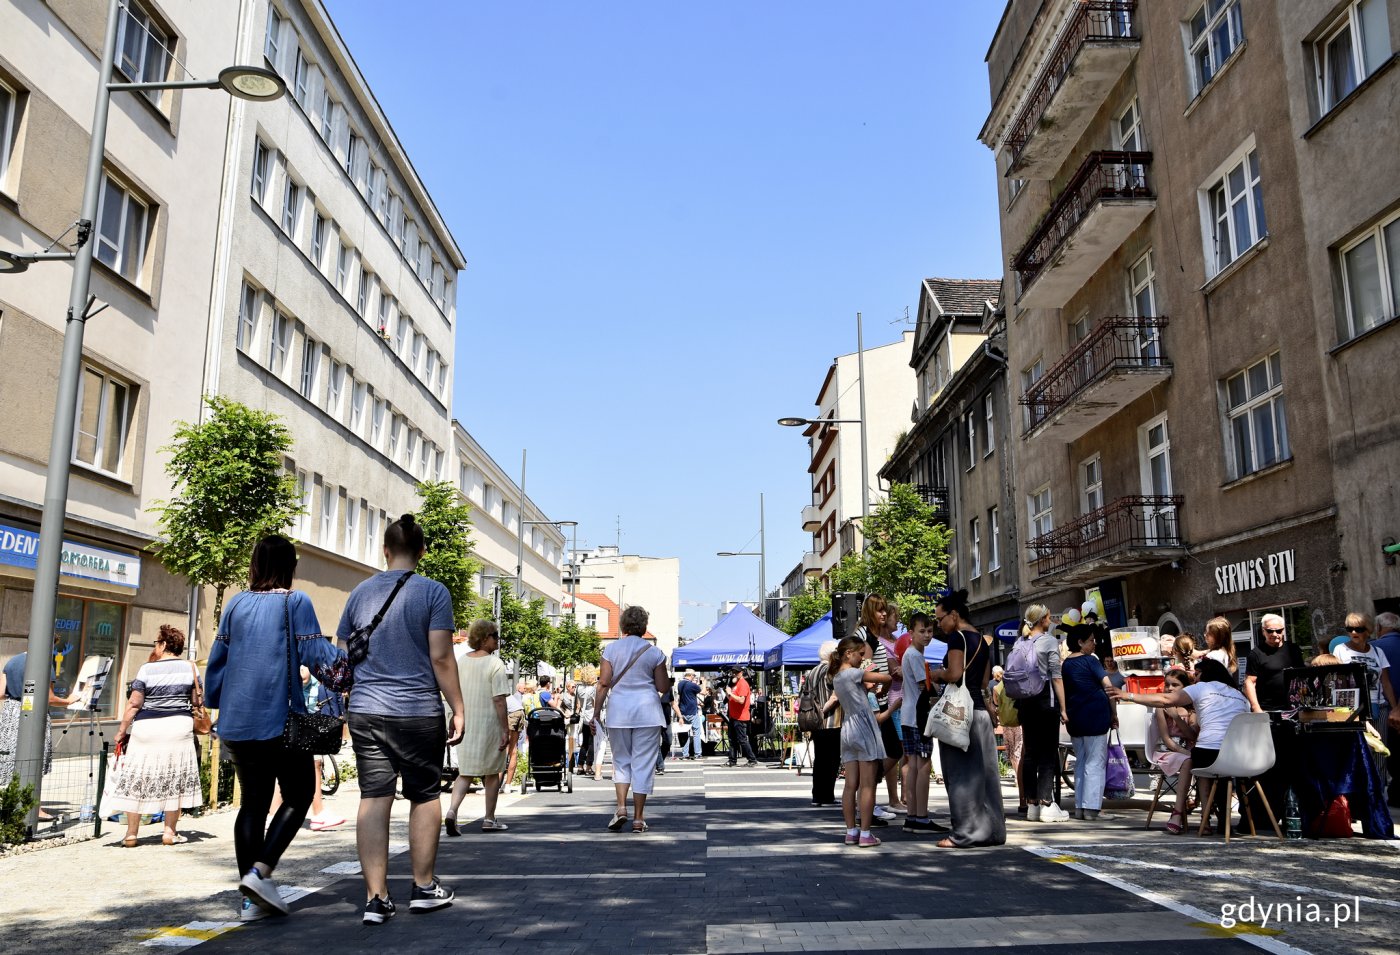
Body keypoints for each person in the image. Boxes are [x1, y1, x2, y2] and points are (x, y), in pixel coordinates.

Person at [205, 534, 345, 922]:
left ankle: (251, 902)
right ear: (289, 567)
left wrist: (216, 701)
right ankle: (260, 872)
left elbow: (218, 660)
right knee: (299, 795)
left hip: (237, 721)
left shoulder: (235, 604)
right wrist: (349, 672)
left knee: (252, 804)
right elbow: (317, 653)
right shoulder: (295, 601)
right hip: (278, 720)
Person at [337, 514, 463, 925]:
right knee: (424, 795)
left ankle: (376, 898)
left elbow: (344, 655)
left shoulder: (358, 593)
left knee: (374, 797)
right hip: (417, 711)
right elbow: (442, 656)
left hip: (367, 709)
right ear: (422, 552)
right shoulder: (434, 593)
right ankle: (424, 887)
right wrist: (458, 707)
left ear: (385, 550)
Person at [1113, 659, 1249, 834]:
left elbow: (1165, 699)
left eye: (1197, 674)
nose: (1194, 678)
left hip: (1209, 753)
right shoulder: (1239, 696)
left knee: (1205, 766)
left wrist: (1128, 695)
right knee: (1220, 773)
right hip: (1241, 756)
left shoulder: (1203, 688)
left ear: (1206, 674)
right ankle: (1223, 821)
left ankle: (1205, 821)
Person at [103, 625, 202, 847]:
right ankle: (169, 832)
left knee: (137, 777)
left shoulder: (146, 669)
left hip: (146, 728)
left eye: (156, 643)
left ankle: (131, 834)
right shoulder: (190, 668)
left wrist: (121, 731)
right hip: (178, 727)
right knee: (174, 777)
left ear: (164, 644)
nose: (155, 647)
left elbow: (134, 703)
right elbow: (197, 702)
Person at [928, 590, 1005, 848]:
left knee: (960, 775)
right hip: (980, 713)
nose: (939, 625)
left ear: (954, 615)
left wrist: (937, 674)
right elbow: (984, 682)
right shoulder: (982, 641)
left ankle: (963, 833)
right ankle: (993, 830)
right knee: (986, 776)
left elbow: (954, 673)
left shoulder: (956, 638)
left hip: (960, 715)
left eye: (940, 619)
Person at [593, 605, 669, 833]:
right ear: (644, 627)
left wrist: (596, 713)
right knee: (643, 765)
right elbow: (663, 687)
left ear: (623, 625)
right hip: (647, 713)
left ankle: (620, 808)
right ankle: (638, 818)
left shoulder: (611, 650)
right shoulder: (655, 653)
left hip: (618, 713)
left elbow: (604, 683)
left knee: (621, 761)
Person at [445, 620, 511, 836]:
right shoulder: (495, 664)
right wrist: (505, 729)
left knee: (465, 772)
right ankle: (489, 819)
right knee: (492, 772)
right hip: (489, 724)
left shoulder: (461, 661)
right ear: (484, 638)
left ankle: (452, 811)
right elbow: (499, 699)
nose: (497, 640)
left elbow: (452, 692)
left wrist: (452, 720)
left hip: (466, 724)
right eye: (495, 636)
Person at [822, 636, 889, 847]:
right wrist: (887, 682)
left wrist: (865, 689)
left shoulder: (837, 676)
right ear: (848, 653)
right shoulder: (854, 673)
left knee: (850, 785)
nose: (862, 658)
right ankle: (866, 833)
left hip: (848, 728)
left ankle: (851, 831)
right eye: (860, 654)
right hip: (863, 728)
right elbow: (885, 678)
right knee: (867, 785)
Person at [1013, 604, 1070, 823]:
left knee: (1030, 753)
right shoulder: (1049, 641)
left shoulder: (1020, 641)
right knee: (1047, 752)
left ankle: (1032, 804)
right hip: (1046, 699)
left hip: (1026, 700)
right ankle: (1047, 804)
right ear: (1044, 619)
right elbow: (1056, 677)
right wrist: (1064, 708)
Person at [0, 651, 77, 798]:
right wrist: (68, 701)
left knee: (13, 758)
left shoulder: (13, 660)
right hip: (33, 713)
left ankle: (14, 798)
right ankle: (32, 806)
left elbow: (1, 693)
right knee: (34, 758)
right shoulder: (44, 662)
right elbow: (49, 698)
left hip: (11, 713)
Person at [1061, 628, 1118, 822]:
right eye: (1091, 640)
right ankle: (1092, 808)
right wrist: (1114, 713)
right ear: (1080, 642)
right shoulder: (1091, 661)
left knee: (1081, 761)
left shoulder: (1066, 664)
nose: (1094, 643)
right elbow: (1108, 686)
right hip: (1096, 714)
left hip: (1075, 716)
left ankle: (1080, 806)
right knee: (1095, 762)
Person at [899, 613, 944, 833]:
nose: (927, 636)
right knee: (923, 766)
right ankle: (922, 817)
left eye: (929, 631)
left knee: (915, 765)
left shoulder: (911, 654)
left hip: (909, 716)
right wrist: (940, 686)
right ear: (911, 633)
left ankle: (913, 816)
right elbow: (924, 686)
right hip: (918, 716)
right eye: (922, 631)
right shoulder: (914, 655)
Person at [1150, 669, 1199, 834]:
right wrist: (1185, 753)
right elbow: (1167, 740)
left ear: (1185, 688)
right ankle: (1177, 813)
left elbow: (1192, 735)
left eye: (1175, 685)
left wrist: (1177, 717)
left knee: (1203, 760)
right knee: (1188, 761)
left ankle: (1206, 813)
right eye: (1167, 685)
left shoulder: (1192, 709)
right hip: (1169, 751)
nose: (1170, 688)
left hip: (1190, 749)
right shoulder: (1161, 708)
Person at [804, 643, 841, 807]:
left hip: (815, 723)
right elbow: (834, 697)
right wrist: (823, 710)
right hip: (831, 721)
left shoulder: (812, 671)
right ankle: (827, 796)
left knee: (820, 760)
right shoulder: (830, 671)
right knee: (832, 759)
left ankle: (817, 795)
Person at [1372, 612, 1400, 807]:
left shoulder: (1375, 648)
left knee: (1389, 753)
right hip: (1394, 708)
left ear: (1379, 628)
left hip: (1388, 710)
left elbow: (1383, 682)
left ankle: (1393, 794)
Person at [725, 669, 758, 767]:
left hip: (741, 716)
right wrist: (728, 692)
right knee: (732, 739)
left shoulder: (743, 684)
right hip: (733, 716)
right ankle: (732, 760)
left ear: (741, 673)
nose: (734, 674)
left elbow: (741, 700)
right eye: (733, 672)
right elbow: (730, 699)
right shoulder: (735, 684)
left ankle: (752, 759)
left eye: (736, 672)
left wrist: (730, 693)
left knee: (742, 739)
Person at [675, 669, 705, 760]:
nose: (694, 678)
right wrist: (704, 682)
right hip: (692, 711)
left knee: (684, 733)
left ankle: (685, 754)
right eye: (694, 676)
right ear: (691, 675)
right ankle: (697, 754)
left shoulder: (680, 684)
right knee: (696, 733)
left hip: (682, 712)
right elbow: (703, 691)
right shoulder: (692, 685)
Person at [505, 680, 526, 785]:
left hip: (511, 714)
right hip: (519, 712)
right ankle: (507, 785)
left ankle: (494, 787)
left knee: (504, 751)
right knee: (513, 750)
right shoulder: (505, 692)